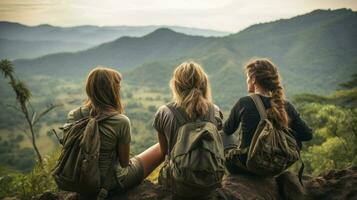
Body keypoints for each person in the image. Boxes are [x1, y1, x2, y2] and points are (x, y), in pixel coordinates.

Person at [65, 66, 164, 197]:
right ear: (112, 90)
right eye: (118, 87)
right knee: (161, 147)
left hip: (81, 181)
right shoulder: (120, 121)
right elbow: (124, 163)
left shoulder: (73, 115)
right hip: (111, 185)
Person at [223, 58, 313, 174]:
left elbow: (227, 130)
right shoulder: (285, 106)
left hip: (245, 165)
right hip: (275, 165)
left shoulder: (244, 102)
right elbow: (307, 135)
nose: (247, 80)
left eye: (247, 77)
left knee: (222, 135)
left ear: (253, 79)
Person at [152, 61, 224, 199]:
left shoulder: (164, 112)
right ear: (204, 84)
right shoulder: (215, 111)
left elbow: (164, 152)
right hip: (210, 183)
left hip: (179, 185)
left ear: (176, 85)